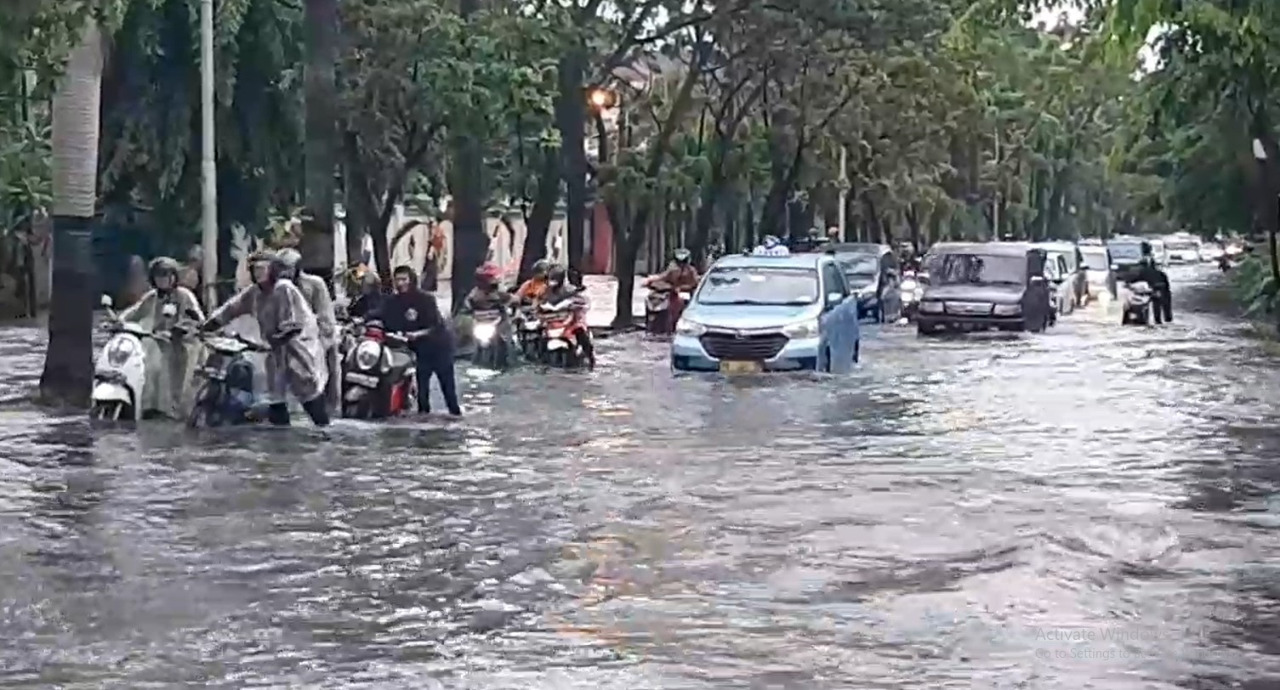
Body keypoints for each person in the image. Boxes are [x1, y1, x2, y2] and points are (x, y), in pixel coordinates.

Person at [201, 250, 331, 426]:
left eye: (264, 268)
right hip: (275, 351)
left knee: (309, 395)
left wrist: (280, 337)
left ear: (273, 270)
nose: (259, 273)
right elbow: (231, 309)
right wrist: (208, 325)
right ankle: (281, 442)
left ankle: (324, 433)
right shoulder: (254, 293)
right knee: (276, 399)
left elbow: (294, 323)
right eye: (255, 270)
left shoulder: (284, 288)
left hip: (298, 349)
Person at [115, 257, 205, 419]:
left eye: (166, 275)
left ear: (174, 277)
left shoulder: (184, 296)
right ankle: (151, 408)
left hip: (185, 346)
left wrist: (184, 327)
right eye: (159, 276)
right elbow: (134, 312)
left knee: (180, 384)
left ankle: (180, 415)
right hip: (160, 343)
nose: (163, 280)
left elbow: (199, 319)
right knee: (151, 371)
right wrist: (118, 322)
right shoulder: (152, 297)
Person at [376, 265, 462, 416]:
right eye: (397, 280)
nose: (400, 283)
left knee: (449, 393)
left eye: (404, 279)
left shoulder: (426, 299)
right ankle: (424, 425)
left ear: (411, 280)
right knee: (422, 395)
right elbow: (379, 314)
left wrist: (417, 334)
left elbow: (436, 326)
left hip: (439, 348)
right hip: (420, 352)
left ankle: (455, 418)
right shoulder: (392, 302)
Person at [277, 248, 340, 407]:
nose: (285, 273)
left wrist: (321, 343)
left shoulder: (314, 284)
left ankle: (332, 406)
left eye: (288, 268)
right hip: (286, 341)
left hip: (314, 338)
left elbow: (325, 316)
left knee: (329, 368)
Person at [540, 264, 594, 368]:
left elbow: (582, 300)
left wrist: (576, 304)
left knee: (580, 332)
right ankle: (541, 360)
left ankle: (590, 358)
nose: (552, 282)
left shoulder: (569, 290)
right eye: (551, 279)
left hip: (571, 320)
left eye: (555, 279)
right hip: (553, 320)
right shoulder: (545, 292)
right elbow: (539, 302)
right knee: (542, 334)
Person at [1132, 241, 1173, 324]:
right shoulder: (1151, 264)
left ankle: (1162, 318)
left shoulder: (1145, 264)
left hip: (1153, 285)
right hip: (1154, 285)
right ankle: (1162, 319)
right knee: (1158, 304)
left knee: (1156, 304)